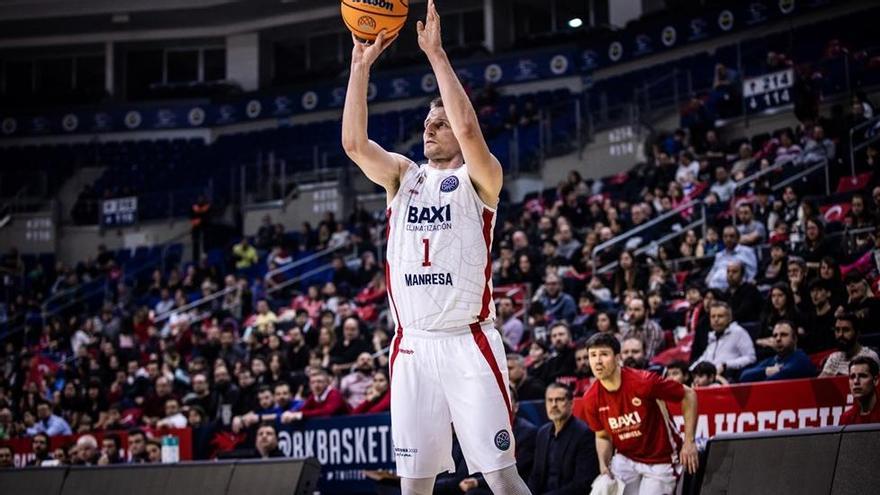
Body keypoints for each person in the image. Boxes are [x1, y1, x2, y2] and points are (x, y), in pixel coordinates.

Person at [342, 3, 527, 493]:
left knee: (502, 479)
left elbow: (468, 131)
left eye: (438, 122)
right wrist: (360, 68)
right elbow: (354, 144)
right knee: (414, 485)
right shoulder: (403, 176)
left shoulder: (481, 179)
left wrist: (437, 54)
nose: (430, 128)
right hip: (412, 347)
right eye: (427, 122)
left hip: (468, 341)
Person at [582, 333, 699, 494]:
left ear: (617, 358)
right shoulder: (590, 397)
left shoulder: (643, 382)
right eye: (593, 356)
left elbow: (688, 394)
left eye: (603, 354)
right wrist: (603, 464)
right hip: (626, 458)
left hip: (661, 459)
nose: (598, 361)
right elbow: (602, 436)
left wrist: (689, 441)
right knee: (601, 490)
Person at [528, 384, 598, 494]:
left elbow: (583, 483)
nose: (554, 405)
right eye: (550, 400)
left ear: (571, 403)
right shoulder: (542, 433)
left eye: (559, 400)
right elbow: (536, 475)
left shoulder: (584, 434)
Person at [690, 302, 756, 378]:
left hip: (727, 377)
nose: (716, 320)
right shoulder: (713, 336)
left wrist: (726, 365)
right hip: (708, 378)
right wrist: (690, 370)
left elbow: (750, 358)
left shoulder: (738, 332)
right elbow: (704, 358)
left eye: (720, 316)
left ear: (729, 318)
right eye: (713, 316)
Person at [739, 321, 816, 382]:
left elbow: (781, 376)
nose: (778, 339)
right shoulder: (772, 360)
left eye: (783, 335)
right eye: (775, 335)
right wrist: (766, 371)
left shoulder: (801, 359)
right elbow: (744, 376)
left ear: (795, 339)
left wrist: (760, 377)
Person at [839, 356, 880, 425]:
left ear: (876, 380)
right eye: (852, 377)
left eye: (863, 376)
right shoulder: (846, 418)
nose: (856, 381)